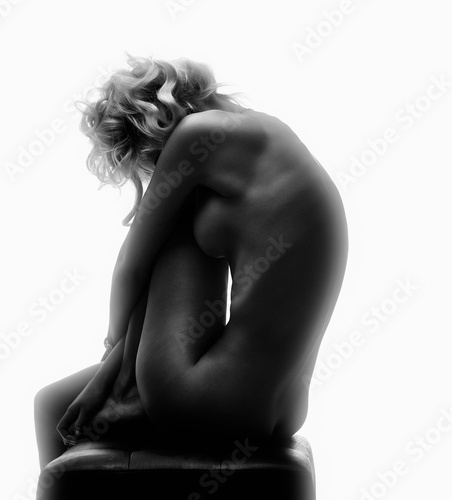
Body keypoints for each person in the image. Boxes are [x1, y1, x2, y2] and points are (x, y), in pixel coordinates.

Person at [34, 55, 348, 470]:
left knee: (170, 222)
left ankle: (124, 389)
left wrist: (111, 346)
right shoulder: (272, 137)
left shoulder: (199, 134)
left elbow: (132, 264)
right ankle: (119, 393)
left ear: (151, 119)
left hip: (204, 398)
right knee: (51, 403)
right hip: (281, 412)